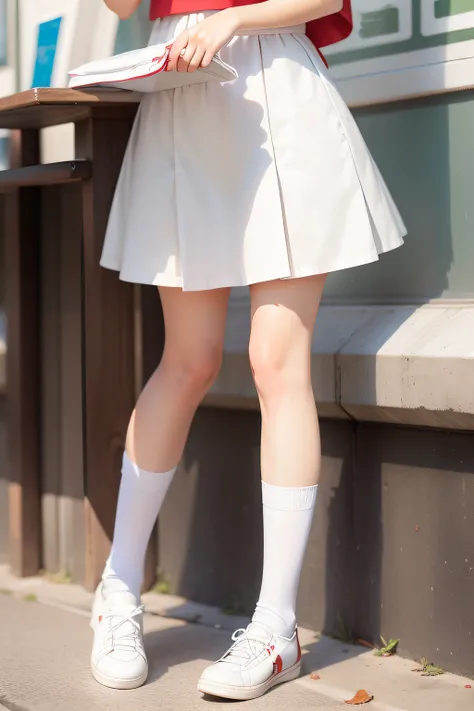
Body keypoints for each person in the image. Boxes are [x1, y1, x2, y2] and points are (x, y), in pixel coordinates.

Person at [90, 0, 406, 699]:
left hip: (280, 88)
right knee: (189, 358)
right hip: (184, 91)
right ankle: (117, 590)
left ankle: (276, 627)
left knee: (276, 358)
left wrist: (237, 20)